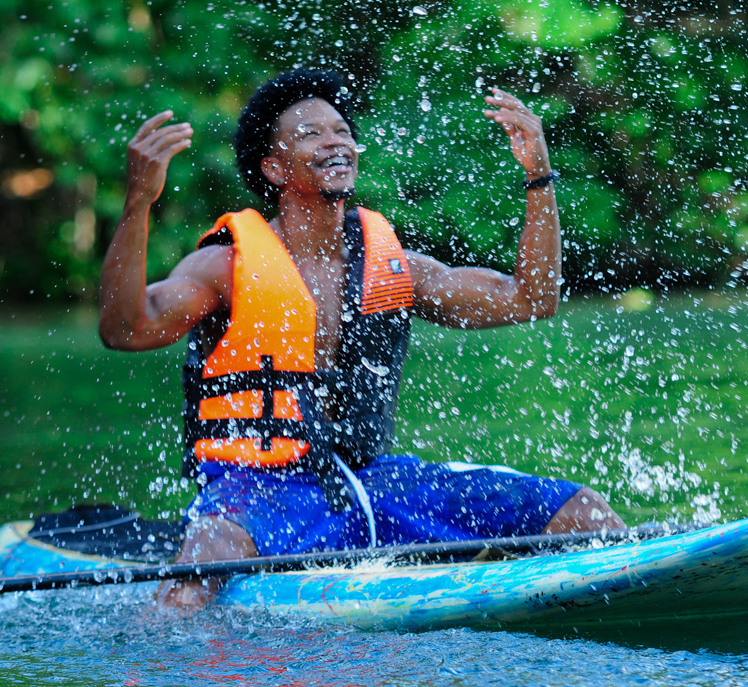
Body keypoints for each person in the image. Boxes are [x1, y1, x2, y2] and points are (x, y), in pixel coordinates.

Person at [99, 69, 625, 610]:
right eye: (310, 133)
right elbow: (125, 329)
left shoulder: (395, 266)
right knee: (205, 561)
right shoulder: (224, 267)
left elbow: (531, 299)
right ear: (274, 167)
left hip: (378, 483)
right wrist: (138, 201)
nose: (335, 141)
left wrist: (540, 178)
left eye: (342, 131)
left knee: (581, 512)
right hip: (258, 489)